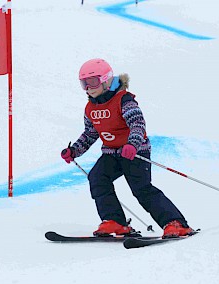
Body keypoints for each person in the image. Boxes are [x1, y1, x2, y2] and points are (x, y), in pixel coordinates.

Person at [61, 58, 194, 238]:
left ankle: (175, 223)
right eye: (83, 83)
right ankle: (115, 222)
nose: (88, 88)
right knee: (98, 178)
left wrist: (132, 144)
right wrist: (74, 150)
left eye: (92, 82)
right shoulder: (90, 108)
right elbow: (90, 134)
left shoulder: (123, 100)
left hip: (135, 153)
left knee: (141, 189)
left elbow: (138, 125)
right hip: (111, 154)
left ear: (106, 80)